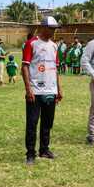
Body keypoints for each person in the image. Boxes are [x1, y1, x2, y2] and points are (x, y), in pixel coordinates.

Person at [21, 16, 63, 165]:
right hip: (35, 91)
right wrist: (28, 89)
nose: (53, 31)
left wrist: (59, 89)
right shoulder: (31, 44)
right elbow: (25, 66)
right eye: (51, 28)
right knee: (32, 123)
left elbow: (56, 69)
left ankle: (44, 150)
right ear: (43, 27)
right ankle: (30, 153)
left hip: (50, 90)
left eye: (55, 29)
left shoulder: (54, 46)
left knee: (47, 122)